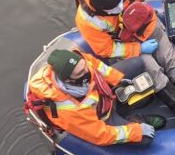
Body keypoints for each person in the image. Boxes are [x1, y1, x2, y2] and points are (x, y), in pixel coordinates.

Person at [73, 0, 175, 128]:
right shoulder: (86, 20)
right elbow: (106, 49)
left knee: (170, 58)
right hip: (127, 44)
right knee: (152, 70)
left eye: (121, 1)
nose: (120, 7)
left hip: (149, 26)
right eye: (114, 8)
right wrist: (138, 49)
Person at [26, 49, 166, 146]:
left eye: (85, 67)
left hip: (103, 95)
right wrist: (136, 132)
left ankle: (120, 104)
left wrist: (117, 80)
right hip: (102, 117)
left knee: (136, 63)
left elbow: (99, 67)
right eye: (80, 73)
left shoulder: (79, 61)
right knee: (145, 139)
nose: (87, 71)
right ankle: (133, 119)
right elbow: (99, 135)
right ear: (68, 80)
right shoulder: (69, 109)